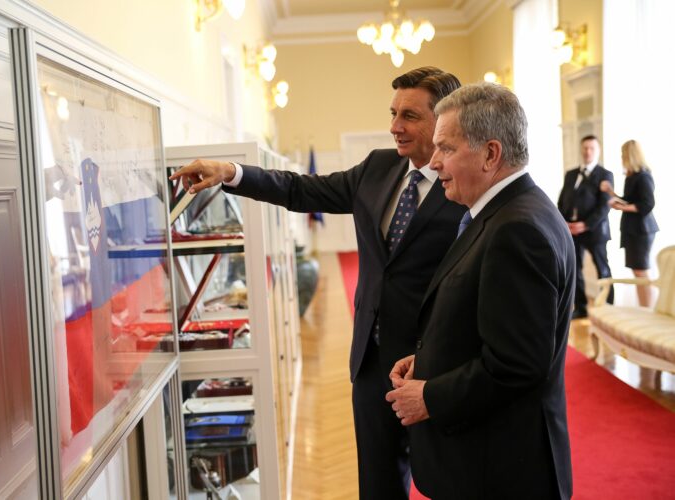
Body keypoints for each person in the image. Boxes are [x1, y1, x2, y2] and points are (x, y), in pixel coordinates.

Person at [170, 67, 465, 499]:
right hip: (371, 361)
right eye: (392, 113)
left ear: (442, 121)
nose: (394, 127)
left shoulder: (466, 185)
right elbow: (299, 189)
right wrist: (231, 171)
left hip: (435, 366)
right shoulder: (378, 168)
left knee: (445, 480)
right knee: (379, 482)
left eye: (409, 116)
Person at [386, 83, 574, 499]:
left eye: (446, 149)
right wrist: (430, 358)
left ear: (491, 154)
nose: (433, 163)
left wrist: (430, 396)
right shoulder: (504, 212)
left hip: (500, 470)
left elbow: (519, 364)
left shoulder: (518, 230)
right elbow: (491, 321)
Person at [557, 134, 614, 318]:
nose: (587, 151)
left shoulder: (605, 175)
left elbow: (604, 206)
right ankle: (581, 308)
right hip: (571, 231)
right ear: (581, 150)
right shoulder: (571, 174)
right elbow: (562, 200)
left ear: (598, 151)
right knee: (575, 269)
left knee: (602, 269)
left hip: (595, 231)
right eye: (585, 148)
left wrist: (585, 225)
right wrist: (563, 221)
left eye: (591, 148)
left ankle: (608, 309)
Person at [600, 140, 659, 307]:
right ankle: (644, 309)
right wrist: (612, 193)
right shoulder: (632, 176)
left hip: (642, 231)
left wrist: (621, 208)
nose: (621, 158)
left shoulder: (644, 176)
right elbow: (630, 200)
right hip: (633, 230)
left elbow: (647, 204)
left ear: (629, 155)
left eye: (622, 154)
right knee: (638, 273)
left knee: (641, 274)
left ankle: (648, 311)